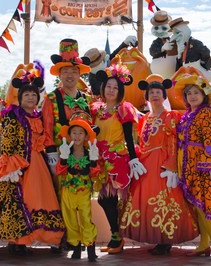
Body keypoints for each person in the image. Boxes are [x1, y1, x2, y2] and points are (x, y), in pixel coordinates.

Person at [0, 62, 65, 255]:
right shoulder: (12, 116)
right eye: (26, 95)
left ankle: (52, 238)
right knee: (16, 202)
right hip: (17, 165)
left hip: (37, 163)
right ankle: (18, 241)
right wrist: (13, 166)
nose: (30, 97)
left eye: (34, 95)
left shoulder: (39, 116)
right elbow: (7, 142)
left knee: (43, 199)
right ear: (20, 97)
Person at [119, 74, 199, 255]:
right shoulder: (144, 118)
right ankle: (155, 237)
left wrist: (172, 165)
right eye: (151, 92)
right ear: (146, 97)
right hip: (146, 163)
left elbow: (176, 141)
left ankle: (165, 239)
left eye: (158, 92)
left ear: (164, 96)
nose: (154, 95)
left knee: (165, 197)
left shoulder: (172, 116)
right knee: (147, 198)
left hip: (162, 164)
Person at [175, 74, 211, 261]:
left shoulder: (207, 113)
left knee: (208, 206)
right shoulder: (187, 115)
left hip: (205, 166)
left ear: (203, 95)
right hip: (189, 165)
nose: (192, 96)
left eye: (196, 92)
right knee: (198, 207)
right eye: (189, 93)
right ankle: (204, 244)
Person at [42, 38, 92, 253]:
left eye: (73, 71)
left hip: (83, 158)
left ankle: (84, 239)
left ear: (79, 73)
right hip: (60, 158)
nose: (69, 75)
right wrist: (52, 154)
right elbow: (46, 127)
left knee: (83, 200)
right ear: (59, 75)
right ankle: (62, 239)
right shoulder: (51, 98)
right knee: (60, 197)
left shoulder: (87, 99)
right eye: (65, 71)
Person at [90, 63, 146, 254]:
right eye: (108, 87)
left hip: (117, 160)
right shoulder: (96, 109)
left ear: (120, 90)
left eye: (115, 87)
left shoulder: (124, 109)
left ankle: (117, 238)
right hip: (100, 159)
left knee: (108, 200)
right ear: (103, 89)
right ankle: (117, 237)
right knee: (105, 200)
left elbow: (129, 136)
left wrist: (133, 159)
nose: (111, 90)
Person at [56, 111, 100, 262]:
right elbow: (59, 171)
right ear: (69, 135)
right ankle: (75, 246)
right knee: (70, 220)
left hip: (84, 191)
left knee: (86, 219)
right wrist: (63, 158)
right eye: (74, 132)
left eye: (81, 132)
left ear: (86, 136)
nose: (77, 136)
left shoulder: (90, 152)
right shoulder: (65, 151)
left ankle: (90, 247)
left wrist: (94, 160)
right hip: (68, 191)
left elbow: (94, 174)